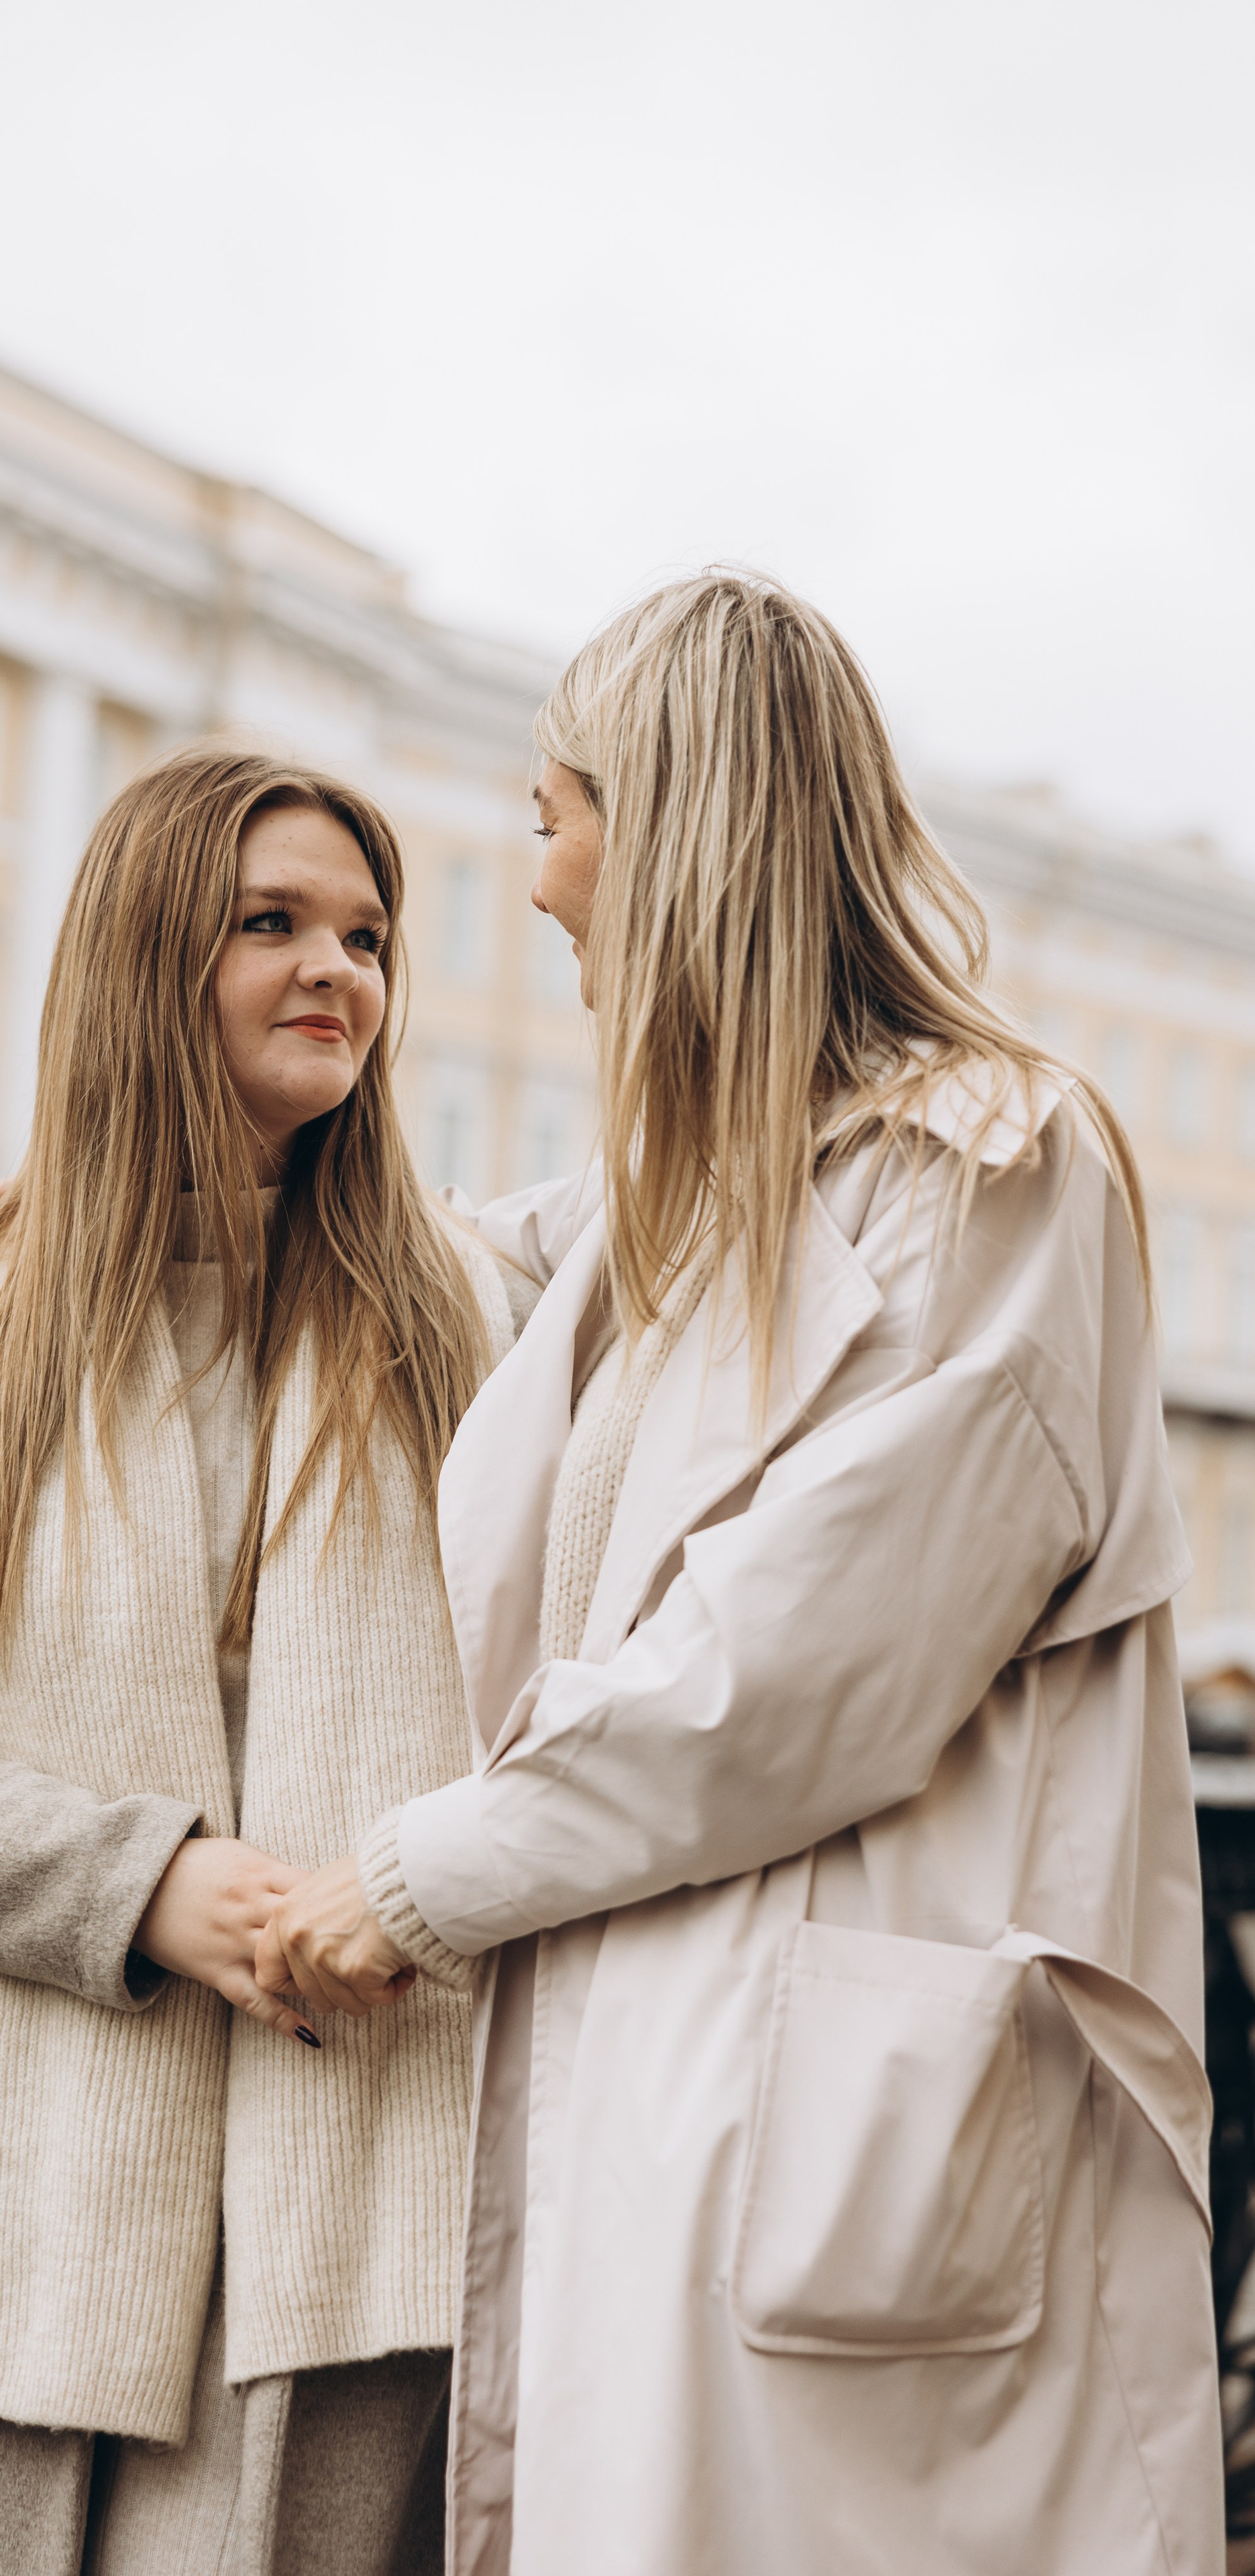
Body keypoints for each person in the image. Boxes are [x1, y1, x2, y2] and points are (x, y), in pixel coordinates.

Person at [260, 574, 1223, 2576]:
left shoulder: (992, 1171)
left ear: (673, 825)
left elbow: (789, 1668)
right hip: (668, 2114)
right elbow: (424, 1253)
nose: (534, 888)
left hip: (835, 2150)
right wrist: (143, 1191)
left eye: (551, 815)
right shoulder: (672, 1203)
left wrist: (420, 1873)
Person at [0, 745, 536, 2576]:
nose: (338, 970)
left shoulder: (475, 1333)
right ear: (147, 960)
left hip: (363, 2208)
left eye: (367, 934)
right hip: (0, 2210)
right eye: (273, 924)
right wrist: (144, 1886)